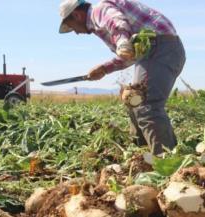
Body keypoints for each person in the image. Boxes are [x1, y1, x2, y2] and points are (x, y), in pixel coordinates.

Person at [59, 0, 186, 155]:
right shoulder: (100, 24)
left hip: (160, 47)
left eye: (72, 27)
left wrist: (122, 42)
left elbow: (116, 21)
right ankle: (143, 156)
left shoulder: (99, 10)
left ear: (77, 15)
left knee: (146, 105)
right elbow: (129, 56)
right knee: (133, 100)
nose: (76, 32)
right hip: (158, 50)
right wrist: (104, 68)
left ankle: (167, 161)